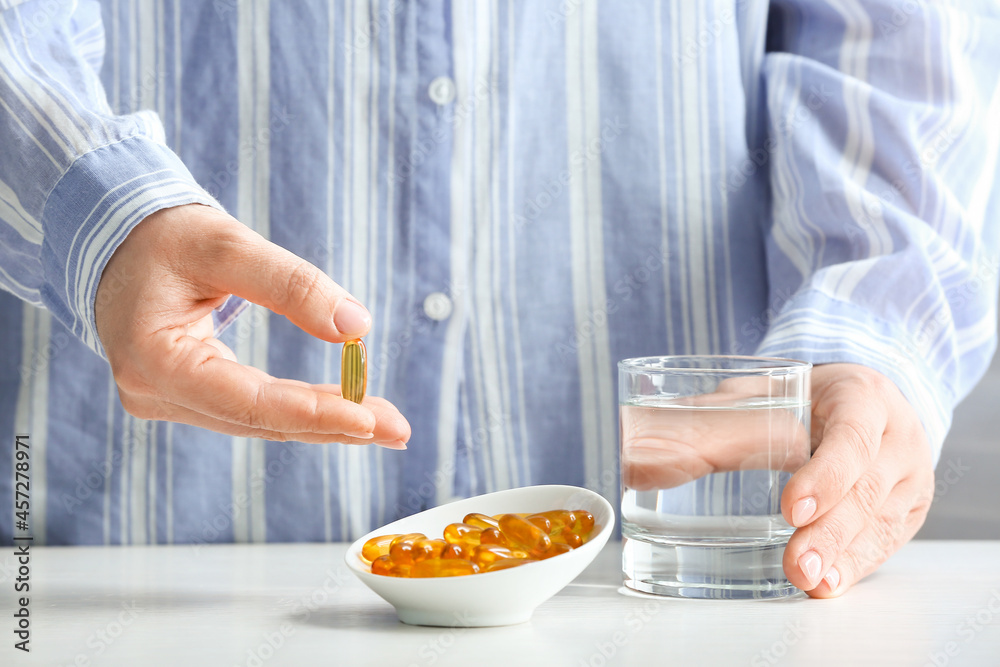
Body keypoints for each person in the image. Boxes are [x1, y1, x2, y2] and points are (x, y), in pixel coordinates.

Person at [1, 0, 997, 601]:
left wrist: (872, 325)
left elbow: (897, 52)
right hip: (116, 576)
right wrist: (100, 210)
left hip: (682, 587)